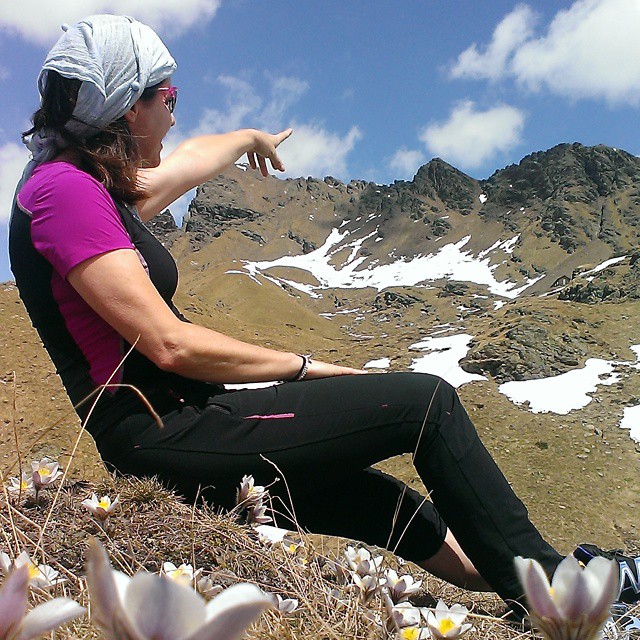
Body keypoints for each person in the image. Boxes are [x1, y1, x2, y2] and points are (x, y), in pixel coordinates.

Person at [8, 14, 639, 617]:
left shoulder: (88, 184)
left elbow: (191, 159)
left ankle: (535, 585)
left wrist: (249, 139)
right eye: (169, 97)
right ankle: (564, 599)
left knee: (380, 503)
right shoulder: (63, 194)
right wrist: (305, 368)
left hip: (184, 420)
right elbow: (171, 345)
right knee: (425, 404)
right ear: (128, 107)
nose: (175, 114)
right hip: (162, 433)